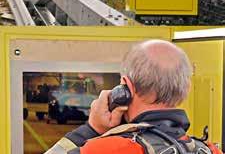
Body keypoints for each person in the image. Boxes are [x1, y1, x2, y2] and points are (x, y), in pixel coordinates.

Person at [44, 40, 219, 154]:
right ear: (186, 89)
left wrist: (92, 129)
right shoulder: (210, 151)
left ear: (126, 86)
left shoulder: (108, 150)